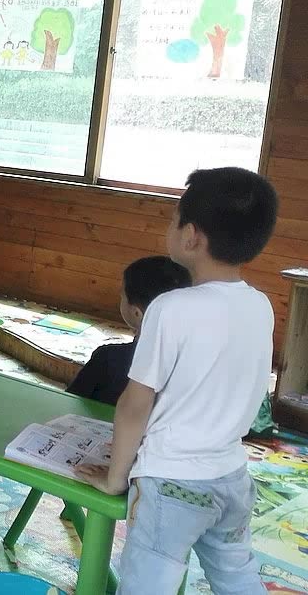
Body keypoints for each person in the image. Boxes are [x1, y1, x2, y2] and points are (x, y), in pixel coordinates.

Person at [77, 167, 279, 594]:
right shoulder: (261, 306)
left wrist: (116, 478)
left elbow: (135, 404)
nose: (169, 228)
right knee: (238, 578)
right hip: (232, 478)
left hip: (171, 485)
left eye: (173, 220)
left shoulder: (170, 308)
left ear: (191, 237)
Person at [0, 255, 192, 495]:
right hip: (162, 470)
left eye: (122, 294)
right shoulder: (194, 367)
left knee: (4, 436)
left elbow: (66, 405)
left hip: (99, 462)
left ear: (136, 313)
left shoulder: (110, 358)